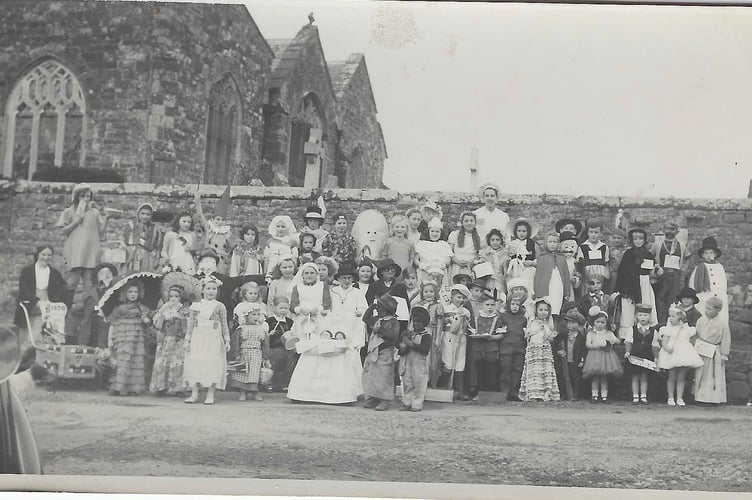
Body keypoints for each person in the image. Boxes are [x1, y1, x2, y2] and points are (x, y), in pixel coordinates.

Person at [183, 277, 231, 405]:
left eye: (214, 289)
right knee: (196, 363)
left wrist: (227, 340)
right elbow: (191, 323)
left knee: (212, 364)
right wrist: (187, 339)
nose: (211, 291)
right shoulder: (196, 305)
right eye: (208, 288)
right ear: (202, 290)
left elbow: (224, 324)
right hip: (198, 337)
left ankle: (210, 393)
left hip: (213, 338)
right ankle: (194, 393)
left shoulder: (220, 306)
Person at [55, 183, 110, 288]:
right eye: (82, 196)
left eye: (88, 196)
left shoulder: (94, 213)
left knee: (90, 285)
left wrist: (106, 219)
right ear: (76, 197)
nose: (85, 199)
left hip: (90, 252)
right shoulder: (69, 212)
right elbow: (63, 231)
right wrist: (76, 221)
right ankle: (66, 304)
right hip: (74, 252)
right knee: (70, 283)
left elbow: (100, 232)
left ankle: (90, 304)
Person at [106, 281, 152, 396]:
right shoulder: (119, 309)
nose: (133, 294)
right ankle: (118, 386)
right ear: (124, 293)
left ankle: (133, 388)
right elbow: (112, 323)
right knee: (123, 360)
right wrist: (110, 339)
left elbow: (148, 321)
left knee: (135, 360)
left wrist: (146, 320)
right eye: (130, 292)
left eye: (136, 292)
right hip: (122, 336)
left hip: (137, 337)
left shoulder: (142, 308)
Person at [614, 228, 658, 339]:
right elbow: (622, 272)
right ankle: (627, 335)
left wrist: (656, 272)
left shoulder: (648, 254)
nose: (638, 241)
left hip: (644, 283)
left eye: (641, 239)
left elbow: (652, 271)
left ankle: (644, 332)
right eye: (636, 239)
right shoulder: (628, 254)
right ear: (632, 240)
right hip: (629, 285)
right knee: (628, 309)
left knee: (644, 305)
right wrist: (620, 288)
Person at [14, 245, 66, 339]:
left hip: (46, 306)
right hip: (29, 303)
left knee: (38, 334)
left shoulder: (55, 273)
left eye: (49, 255)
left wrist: (51, 303)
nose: (46, 257)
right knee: (24, 334)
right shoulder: (27, 271)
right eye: (43, 254)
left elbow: (60, 290)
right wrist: (35, 301)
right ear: (38, 255)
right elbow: (24, 288)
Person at [656, 304, 704, 407]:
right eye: (670, 316)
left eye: (673, 316)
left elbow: (694, 336)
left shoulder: (686, 329)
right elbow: (664, 342)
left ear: (680, 317)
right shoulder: (668, 329)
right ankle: (670, 397)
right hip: (672, 353)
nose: (670, 318)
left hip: (683, 352)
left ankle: (680, 398)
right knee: (672, 376)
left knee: (681, 377)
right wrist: (667, 348)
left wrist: (684, 327)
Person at [149, 285, 190, 396]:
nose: (173, 299)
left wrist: (181, 319)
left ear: (181, 298)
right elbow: (156, 322)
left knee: (176, 363)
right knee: (162, 362)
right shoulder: (164, 308)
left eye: (176, 296)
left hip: (177, 339)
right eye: (171, 296)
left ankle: (177, 388)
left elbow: (188, 325)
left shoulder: (184, 310)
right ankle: (161, 386)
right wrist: (163, 318)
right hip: (166, 339)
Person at [362, 294, 401, 411]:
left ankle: (384, 400)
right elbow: (365, 319)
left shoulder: (393, 322)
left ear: (387, 310)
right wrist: (371, 308)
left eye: (380, 308)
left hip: (385, 352)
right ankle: (373, 397)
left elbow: (392, 336)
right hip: (374, 351)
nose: (378, 310)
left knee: (384, 377)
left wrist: (380, 331)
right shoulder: (378, 319)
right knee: (371, 376)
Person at [518, 298, 560, 402]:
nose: (543, 312)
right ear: (536, 310)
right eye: (540, 310)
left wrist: (549, 336)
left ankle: (546, 393)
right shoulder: (532, 321)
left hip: (545, 351)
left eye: (545, 310)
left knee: (545, 370)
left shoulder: (548, 323)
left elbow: (551, 338)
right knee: (534, 371)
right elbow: (527, 335)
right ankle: (533, 393)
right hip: (534, 351)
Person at [692, 297, 731, 405]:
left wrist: (724, 354)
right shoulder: (701, 320)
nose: (706, 310)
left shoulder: (722, 323)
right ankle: (700, 397)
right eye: (706, 308)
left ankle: (713, 398)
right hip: (702, 350)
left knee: (714, 375)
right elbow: (697, 334)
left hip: (715, 352)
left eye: (709, 309)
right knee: (701, 373)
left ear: (717, 310)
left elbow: (725, 338)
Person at [467, 289, 504, 399]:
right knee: (477, 370)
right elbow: (471, 332)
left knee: (490, 369)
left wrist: (492, 337)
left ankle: (489, 392)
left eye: (492, 305)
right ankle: (475, 391)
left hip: (491, 348)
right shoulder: (476, 319)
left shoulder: (497, 320)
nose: (490, 307)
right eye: (487, 305)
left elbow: (501, 335)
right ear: (482, 305)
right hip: (477, 348)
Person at [582, 306, 623, 403]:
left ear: (606, 323)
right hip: (594, 356)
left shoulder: (608, 333)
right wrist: (596, 345)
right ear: (593, 322)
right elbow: (588, 344)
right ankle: (594, 395)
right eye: (597, 322)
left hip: (606, 356)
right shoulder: (591, 333)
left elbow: (617, 341)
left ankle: (604, 396)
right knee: (595, 377)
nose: (600, 324)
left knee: (604, 377)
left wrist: (613, 340)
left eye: (602, 322)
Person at [230, 303, 269, 402]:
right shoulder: (241, 329)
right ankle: (243, 392)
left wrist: (265, 356)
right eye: (253, 314)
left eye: (258, 314)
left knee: (254, 373)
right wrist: (237, 354)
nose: (256, 317)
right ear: (246, 316)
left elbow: (264, 344)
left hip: (256, 353)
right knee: (243, 372)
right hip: (244, 353)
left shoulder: (261, 330)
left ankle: (255, 393)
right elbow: (236, 342)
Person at [439, 284, 472, 400]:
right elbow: (442, 323)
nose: (461, 300)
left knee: (460, 362)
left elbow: (468, 326)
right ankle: (444, 388)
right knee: (448, 361)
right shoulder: (446, 309)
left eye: (463, 298)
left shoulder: (466, 311)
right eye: (458, 297)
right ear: (452, 297)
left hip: (461, 337)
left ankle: (459, 391)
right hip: (449, 336)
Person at [650, 221, 687, 325]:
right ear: (663, 230)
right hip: (661, 278)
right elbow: (650, 257)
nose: (670, 231)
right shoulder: (657, 245)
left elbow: (688, 257)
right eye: (667, 229)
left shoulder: (682, 246)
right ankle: (659, 325)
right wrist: (655, 269)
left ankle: (671, 325)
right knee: (659, 300)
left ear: (677, 231)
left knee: (673, 301)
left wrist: (683, 269)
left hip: (675, 277)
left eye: (673, 229)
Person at [687, 237, 729, 326]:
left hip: (718, 299)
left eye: (711, 252)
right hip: (703, 300)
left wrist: (720, 297)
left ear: (715, 254)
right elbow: (692, 286)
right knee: (703, 321)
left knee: (719, 321)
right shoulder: (698, 268)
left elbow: (723, 285)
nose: (708, 255)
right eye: (706, 253)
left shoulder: (719, 268)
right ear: (702, 255)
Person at [398, 306, 432, 412]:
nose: (416, 324)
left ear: (425, 323)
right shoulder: (409, 334)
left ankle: (417, 404)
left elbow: (425, 349)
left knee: (419, 384)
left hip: (419, 364)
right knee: (407, 382)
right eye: (415, 321)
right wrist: (403, 346)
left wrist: (412, 344)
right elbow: (400, 350)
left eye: (419, 322)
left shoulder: (426, 336)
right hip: (408, 362)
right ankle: (407, 402)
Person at [623, 304, 658, 404]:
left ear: (650, 317)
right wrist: (628, 351)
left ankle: (643, 395)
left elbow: (654, 345)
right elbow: (629, 341)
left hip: (646, 357)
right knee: (635, 376)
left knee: (644, 376)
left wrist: (656, 357)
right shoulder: (632, 329)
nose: (643, 318)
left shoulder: (653, 331)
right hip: (635, 356)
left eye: (645, 315)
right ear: (636, 317)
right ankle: (635, 396)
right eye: (641, 315)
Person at [195, 187, 234, 274]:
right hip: (209, 258)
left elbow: (231, 249)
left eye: (222, 220)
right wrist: (198, 202)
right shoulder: (209, 227)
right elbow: (200, 215)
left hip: (221, 260)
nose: (220, 222)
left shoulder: (226, 232)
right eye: (218, 219)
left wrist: (229, 241)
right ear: (213, 219)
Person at [533, 231, 571, 318]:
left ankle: (555, 326)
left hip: (558, 286)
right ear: (546, 243)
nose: (552, 244)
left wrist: (567, 292)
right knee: (546, 308)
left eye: (555, 242)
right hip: (546, 288)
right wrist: (537, 292)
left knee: (556, 309)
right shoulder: (541, 258)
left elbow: (566, 275)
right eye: (550, 242)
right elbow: (538, 276)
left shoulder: (562, 258)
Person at [497, 296, 528, 401]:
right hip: (506, 348)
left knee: (517, 370)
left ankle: (514, 393)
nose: (515, 307)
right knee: (505, 370)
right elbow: (500, 331)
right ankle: (504, 393)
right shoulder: (503, 317)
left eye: (517, 305)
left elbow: (525, 333)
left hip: (520, 348)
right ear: (508, 304)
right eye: (513, 304)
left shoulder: (523, 318)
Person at [553, 308, 587, 401]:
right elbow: (556, 343)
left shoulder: (581, 338)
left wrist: (582, 360)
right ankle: (564, 394)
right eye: (569, 323)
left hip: (575, 361)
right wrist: (559, 351)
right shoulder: (563, 335)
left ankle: (575, 394)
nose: (570, 325)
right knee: (563, 377)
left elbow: (584, 350)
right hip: (565, 361)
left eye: (573, 323)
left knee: (575, 378)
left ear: (579, 325)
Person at [265, 297, 295, 392]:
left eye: (285, 308)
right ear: (274, 308)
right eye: (280, 308)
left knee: (286, 366)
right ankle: (270, 384)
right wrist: (270, 334)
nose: (283, 310)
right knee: (274, 366)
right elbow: (264, 335)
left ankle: (283, 384)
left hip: (286, 349)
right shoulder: (269, 321)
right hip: (274, 348)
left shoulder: (290, 322)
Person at [122, 203, 162, 273]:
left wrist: (156, 257)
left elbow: (157, 245)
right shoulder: (131, 225)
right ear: (138, 213)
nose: (145, 216)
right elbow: (126, 240)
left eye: (148, 214)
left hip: (148, 256)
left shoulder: (154, 228)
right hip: (132, 254)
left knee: (145, 274)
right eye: (142, 213)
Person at [415, 217, 453, 288]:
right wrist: (423, 266)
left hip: (440, 271)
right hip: (425, 272)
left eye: (437, 232)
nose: (434, 234)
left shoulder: (444, 244)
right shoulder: (421, 244)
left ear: (441, 233)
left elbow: (448, 259)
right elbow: (416, 260)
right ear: (428, 231)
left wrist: (442, 263)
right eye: (432, 231)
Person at [505, 218, 539, 293]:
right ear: (515, 231)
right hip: (515, 270)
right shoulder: (512, 244)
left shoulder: (533, 244)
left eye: (524, 231)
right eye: (519, 231)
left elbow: (538, 259)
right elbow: (507, 257)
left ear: (528, 232)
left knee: (528, 287)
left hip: (528, 270)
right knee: (516, 286)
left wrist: (532, 263)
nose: (521, 233)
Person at [447, 212, 482, 284]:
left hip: (471, 267)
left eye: (471, 221)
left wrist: (473, 262)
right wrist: (457, 261)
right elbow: (449, 252)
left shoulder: (479, 237)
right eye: (466, 221)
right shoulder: (455, 234)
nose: (469, 223)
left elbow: (480, 254)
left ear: (475, 223)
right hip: (457, 266)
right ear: (462, 223)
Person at [577, 220, 610, 293]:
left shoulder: (604, 247)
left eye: (596, 232)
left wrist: (607, 275)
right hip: (587, 277)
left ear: (600, 233)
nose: (593, 235)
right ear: (587, 233)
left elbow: (606, 263)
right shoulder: (583, 247)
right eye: (591, 232)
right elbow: (579, 264)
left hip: (600, 277)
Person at [481, 228, 507, 298]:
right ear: (489, 241)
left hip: (500, 280)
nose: (495, 242)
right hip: (488, 280)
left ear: (501, 241)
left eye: (497, 240)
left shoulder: (505, 254)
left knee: (499, 297)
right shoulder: (485, 253)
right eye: (492, 240)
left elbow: (505, 270)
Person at [606, 227, 628, 295]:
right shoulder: (608, 250)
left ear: (624, 240)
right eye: (614, 238)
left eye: (619, 238)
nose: (616, 240)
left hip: (624, 275)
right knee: (611, 292)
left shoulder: (627, 251)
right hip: (612, 276)